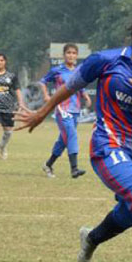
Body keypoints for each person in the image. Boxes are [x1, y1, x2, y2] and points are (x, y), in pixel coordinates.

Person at [17, 11, 132, 262]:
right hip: (108, 146)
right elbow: (69, 88)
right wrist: (41, 112)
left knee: (130, 213)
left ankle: (91, 239)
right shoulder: (106, 60)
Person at [39, 43, 92, 178]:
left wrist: (85, 96)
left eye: (74, 53)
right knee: (72, 134)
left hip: (75, 109)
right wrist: (46, 95)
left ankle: (48, 164)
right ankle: (74, 168)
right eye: (68, 53)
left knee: (63, 140)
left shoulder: (79, 71)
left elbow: (80, 86)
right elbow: (42, 81)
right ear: (64, 55)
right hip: (62, 108)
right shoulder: (57, 70)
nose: (71, 55)